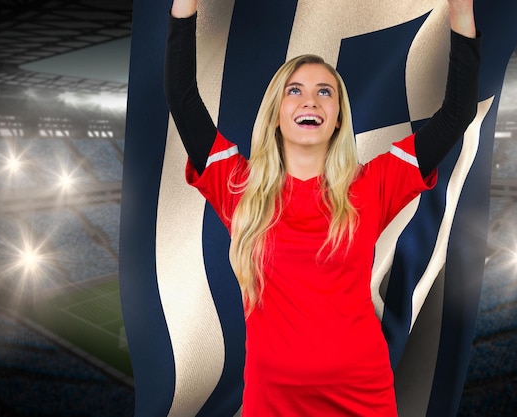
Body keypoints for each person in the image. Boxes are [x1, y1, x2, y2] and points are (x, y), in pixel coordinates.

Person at [164, 0, 480, 415]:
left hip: (361, 397)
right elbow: (183, 99)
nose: (309, 101)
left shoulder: (375, 184)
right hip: (271, 402)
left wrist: (462, 13)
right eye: (294, 91)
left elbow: (457, 114)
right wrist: (183, 9)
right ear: (277, 113)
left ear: (337, 118)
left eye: (324, 92)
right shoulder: (237, 185)